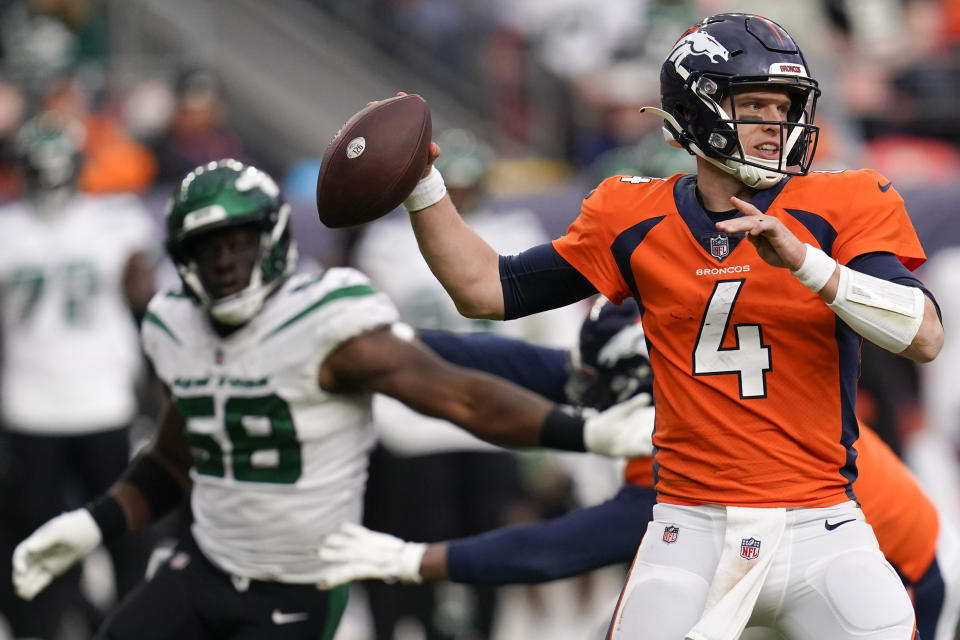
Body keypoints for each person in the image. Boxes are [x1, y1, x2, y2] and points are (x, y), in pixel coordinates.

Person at [394, 12, 944, 639]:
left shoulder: (842, 203)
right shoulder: (631, 214)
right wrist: (423, 187)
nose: (777, 124)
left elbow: (923, 334)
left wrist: (809, 264)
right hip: (690, 530)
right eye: (755, 104)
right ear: (700, 109)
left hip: (824, 526)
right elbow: (487, 289)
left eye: (785, 105)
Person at [9, 158, 652, 640]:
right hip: (204, 564)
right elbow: (176, 458)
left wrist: (581, 435)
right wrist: (90, 522)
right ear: (181, 259)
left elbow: (457, 396)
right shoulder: (173, 320)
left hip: (296, 583)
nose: (226, 264)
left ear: (274, 239)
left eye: (238, 242)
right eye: (207, 250)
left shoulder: (327, 319)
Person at [317, 297, 960, 640]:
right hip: (765, 565)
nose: (588, 393)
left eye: (609, 386)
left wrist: (410, 560)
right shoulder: (668, 381)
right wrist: (393, 341)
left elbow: (553, 551)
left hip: (891, 577)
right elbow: (522, 366)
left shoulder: (708, 453)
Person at [351, 126, 590, 640]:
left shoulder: (512, 226)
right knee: (412, 560)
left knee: (485, 560)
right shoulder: (388, 240)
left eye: (462, 186)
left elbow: (555, 334)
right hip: (415, 427)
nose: (455, 197)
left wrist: (551, 439)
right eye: (447, 186)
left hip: (494, 425)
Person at [0, 112, 159, 638]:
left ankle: (91, 623)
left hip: (83, 401)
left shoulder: (113, 220)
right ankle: (85, 623)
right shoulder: (113, 220)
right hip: (50, 403)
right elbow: (149, 297)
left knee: (98, 531)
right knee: (92, 532)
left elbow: (146, 291)